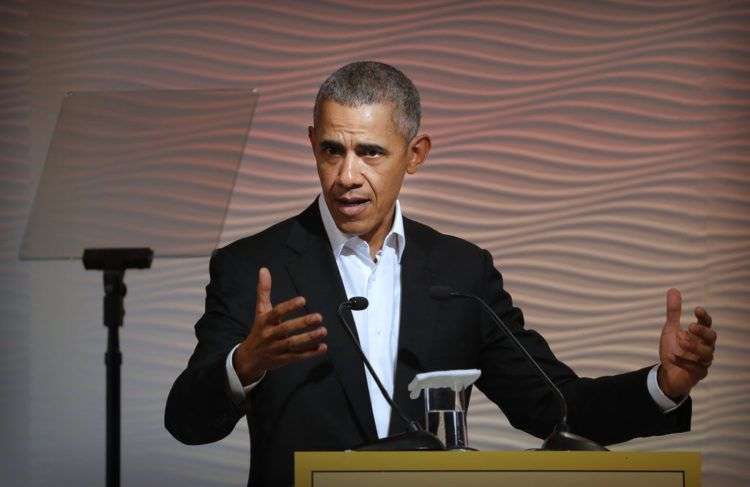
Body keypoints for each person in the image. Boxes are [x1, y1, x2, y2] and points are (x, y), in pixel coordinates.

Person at [165, 61, 716, 487]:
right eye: (332, 150)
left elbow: (553, 405)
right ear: (312, 143)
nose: (346, 176)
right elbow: (187, 422)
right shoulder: (250, 266)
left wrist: (663, 387)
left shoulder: (460, 271)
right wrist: (245, 364)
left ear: (416, 154)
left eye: (371, 153)